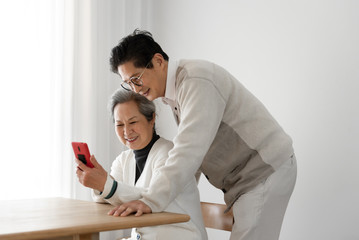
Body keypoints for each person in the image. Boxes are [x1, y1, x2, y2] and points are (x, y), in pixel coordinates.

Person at [108, 29, 298, 240]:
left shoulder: (195, 81)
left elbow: (189, 150)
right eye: (128, 83)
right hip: (247, 179)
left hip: (263, 171)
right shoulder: (175, 91)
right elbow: (194, 153)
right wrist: (177, 196)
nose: (135, 89)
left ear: (158, 61)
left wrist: (151, 201)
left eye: (137, 78)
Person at [75, 89, 207, 240]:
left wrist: (106, 184)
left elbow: (153, 198)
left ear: (152, 119)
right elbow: (110, 198)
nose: (126, 131)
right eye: (119, 125)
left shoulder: (170, 154)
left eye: (132, 122)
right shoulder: (123, 159)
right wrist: (98, 183)